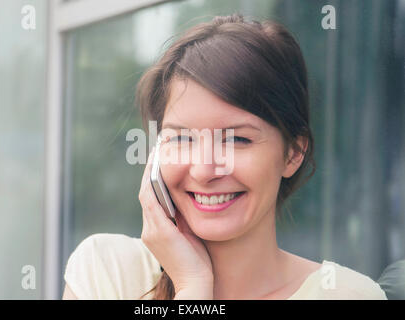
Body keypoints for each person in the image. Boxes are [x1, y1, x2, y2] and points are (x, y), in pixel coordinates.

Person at [62, 13, 387, 300]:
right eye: (183, 138)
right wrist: (193, 287)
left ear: (293, 153)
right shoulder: (107, 273)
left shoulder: (347, 295)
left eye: (236, 139)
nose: (205, 170)